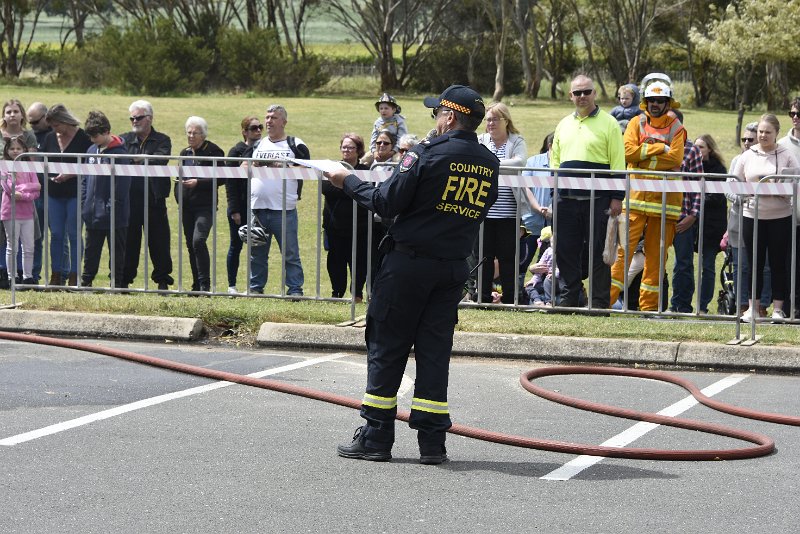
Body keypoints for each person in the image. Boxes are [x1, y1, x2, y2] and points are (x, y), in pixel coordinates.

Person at [327, 85, 499, 465]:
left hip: (409, 265)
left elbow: (387, 201)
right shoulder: (489, 161)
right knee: (434, 352)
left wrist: (347, 181)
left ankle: (375, 437)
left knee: (387, 346)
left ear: (450, 117)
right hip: (452, 268)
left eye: (437, 113)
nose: (435, 120)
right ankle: (432, 443)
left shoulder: (426, 154)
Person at [608, 77, 686, 312]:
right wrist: (660, 149)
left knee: (656, 259)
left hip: (665, 205)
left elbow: (676, 158)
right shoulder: (635, 123)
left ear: (668, 103)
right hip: (635, 201)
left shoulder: (677, 128)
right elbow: (628, 152)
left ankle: (649, 309)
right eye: (651, 100)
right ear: (645, 102)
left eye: (660, 100)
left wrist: (645, 157)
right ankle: (604, 303)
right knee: (621, 254)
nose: (655, 104)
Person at [551, 74, 625, 309]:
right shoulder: (563, 124)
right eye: (577, 93)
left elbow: (618, 163)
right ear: (570, 95)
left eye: (586, 92)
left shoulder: (610, 123)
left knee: (599, 254)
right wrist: (555, 194)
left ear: (594, 94)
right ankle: (569, 298)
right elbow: (555, 162)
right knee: (565, 250)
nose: (582, 96)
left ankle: (599, 303)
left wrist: (617, 197)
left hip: (599, 200)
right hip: (566, 200)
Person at [735, 113, 799, 321]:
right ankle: (753, 308)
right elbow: (735, 183)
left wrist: (776, 188)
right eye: (761, 132)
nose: (763, 135)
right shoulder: (747, 155)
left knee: (778, 263)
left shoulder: (787, 154)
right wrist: (747, 192)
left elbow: (794, 183)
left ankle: (778, 309)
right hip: (751, 215)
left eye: (767, 132)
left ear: (776, 134)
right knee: (754, 262)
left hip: (780, 216)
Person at [245, 104, 308, 296]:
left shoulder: (295, 144)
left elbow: (307, 170)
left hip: (284, 209)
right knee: (257, 253)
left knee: (290, 254)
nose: (268, 121)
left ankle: (295, 289)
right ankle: (256, 288)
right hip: (258, 208)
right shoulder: (258, 144)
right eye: (267, 117)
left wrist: (279, 166)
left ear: (284, 122)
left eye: (273, 117)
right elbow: (242, 166)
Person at [120, 100, 174, 290]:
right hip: (129, 200)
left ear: (149, 119)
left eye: (138, 117)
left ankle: (162, 281)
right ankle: (123, 281)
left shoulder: (163, 140)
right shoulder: (123, 140)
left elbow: (160, 160)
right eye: (132, 118)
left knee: (159, 242)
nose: (134, 121)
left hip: (154, 199)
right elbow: (120, 162)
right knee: (129, 242)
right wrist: (142, 160)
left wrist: (135, 160)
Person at [476, 102, 527, 304]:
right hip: (484, 211)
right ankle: (483, 297)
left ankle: (510, 298)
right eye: (488, 119)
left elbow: (520, 161)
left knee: (508, 258)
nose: (491, 123)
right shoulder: (480, 140)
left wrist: (490, 163)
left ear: (506, 121)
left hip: (509, 212)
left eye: (495, 119)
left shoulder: (517, 140)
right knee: (484, 257)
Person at [41, 104, 92, 287]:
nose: (55, 130)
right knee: (55, 234)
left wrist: (70, 174)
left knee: (74, 233)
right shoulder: (49, 138)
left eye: (56, 125)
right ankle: (56, 275)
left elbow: (89, 164)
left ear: (64, 121)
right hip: (54, 193)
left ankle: (74, 275)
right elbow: (42, 162)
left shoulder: (84, 138)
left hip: (75, 193)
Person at [81, 111, 131, 288]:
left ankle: (116, 284)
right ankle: (86, 282)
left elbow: (122, 185)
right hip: (92, 212)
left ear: (107, 131)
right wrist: (84, 203)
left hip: (115, 214)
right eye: (90, 136)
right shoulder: (90, 151)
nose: (93, 139)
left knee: (117, 251)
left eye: (95, 135)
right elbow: (85, 180)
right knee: (91, 250)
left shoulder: (120, 155)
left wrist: (112, 207)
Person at [176, 116, 225, 293]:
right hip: (186, 207)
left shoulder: (214, 151)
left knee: (198, 241)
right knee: (190, 244)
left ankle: (205, 284)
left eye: (194, 133)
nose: (190, 136)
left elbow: (222, 178)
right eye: (188, 132)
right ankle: (196, 285)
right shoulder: (184, 153)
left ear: (203, 135)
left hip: (205, 206)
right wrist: (178, 197)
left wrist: (199, 182)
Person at [727, 122, 771, 314]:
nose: (746, 142)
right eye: (743, 139)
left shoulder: (768, 160)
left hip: (766, 219)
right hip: (739, 220)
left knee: (765, 266)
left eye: (750, 139)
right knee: (740, 266)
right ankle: (742, 304)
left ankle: (762, 306)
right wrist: (744, 198)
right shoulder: (737, 160)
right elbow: (728, 189)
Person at [321, 133, 370, 300]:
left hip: (360, 225)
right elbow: (327, 189)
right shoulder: (332, 167)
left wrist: (342, 186)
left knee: (359, 261)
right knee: (335, 261)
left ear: (359, 150)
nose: (346, 150)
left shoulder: (365, 170)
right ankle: (337, 293)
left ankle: (356, 293)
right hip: (334, 225)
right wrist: (352, 188)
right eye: (344, 147)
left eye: (351, 147)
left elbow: (367, 192)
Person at [668, 112, 704, 314]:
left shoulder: (691, 150)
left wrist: (693, 215)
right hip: (658, 215)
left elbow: (699, 185)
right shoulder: (654, 147)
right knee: (654, 262)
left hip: (683, 216)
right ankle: (654, 304)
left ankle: (681, 306)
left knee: (683, 264)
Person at [224, 115, 262, 294]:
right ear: (244, 132)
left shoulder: (264, 149)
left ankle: (255, 286)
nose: (259, 131)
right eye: (254, 128)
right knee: (236, 245)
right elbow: (230, 183)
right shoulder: (235, 151)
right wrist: (234, 210)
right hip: (240, 206)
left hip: (259, 205)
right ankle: (232, 285)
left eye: (260, 127)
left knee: (258, 246)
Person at [692, 134, 728, 313]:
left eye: (701, 147)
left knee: (707, 266)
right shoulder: (690, 167)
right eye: (695, 146)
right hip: (691, 224)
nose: (697, 150)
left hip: (711, 227)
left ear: (710, 150)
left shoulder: (718, 169)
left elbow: (716, 198)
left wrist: (695, 201)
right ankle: (682, 304)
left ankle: (702, 305)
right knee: (685, 265)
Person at [1, 136, 40, 289]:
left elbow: (37, 187)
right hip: (9, 212)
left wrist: (22, 193)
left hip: (27, 213)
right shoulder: (4, 165)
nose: (15, 151)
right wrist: (28, 188)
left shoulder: (29, 166)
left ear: (24, 150)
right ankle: (12, 277)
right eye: (12, 148)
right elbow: (8, 188)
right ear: (7, 150)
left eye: (18, 148)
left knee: (29, 246)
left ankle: (28, 277)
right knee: (12, 246)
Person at [521, 132, 555, 261]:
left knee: (548, 265)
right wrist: (538, 208)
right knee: (522, 262)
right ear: (550, 146)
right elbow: (525, 187)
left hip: (555, 224)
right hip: (531, 222)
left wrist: (552, 210)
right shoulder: (533, 161)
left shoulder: (566, 164)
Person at [363, 93, 407, 165]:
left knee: (398, 161)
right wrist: (374, 151)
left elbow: (402, 139)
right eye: (381, 108)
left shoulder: (399, 121)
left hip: (395, 149)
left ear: (394, 110)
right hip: (379, 148)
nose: (383, 111)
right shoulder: (377, 122)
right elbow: (373, 138)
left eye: (386, 108)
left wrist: (393, 151)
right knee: (364, 160)